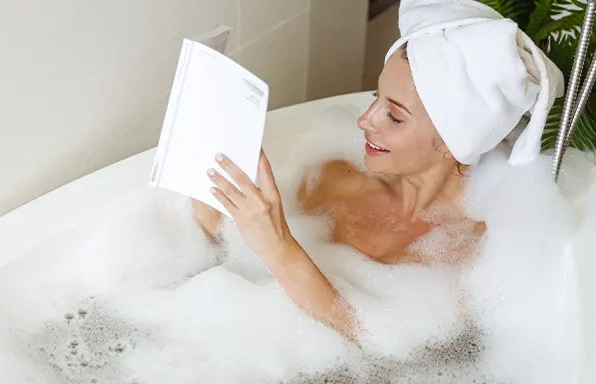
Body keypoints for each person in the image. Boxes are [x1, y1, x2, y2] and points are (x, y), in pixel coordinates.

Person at [189, 0, 563, 341]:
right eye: (375, 98)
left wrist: (279, 247)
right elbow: (222, 260)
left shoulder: (472, 253)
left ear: (453, 142)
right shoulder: (332, 177)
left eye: (395, 116)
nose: (366, 120)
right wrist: (209, 191)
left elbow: (384, 347)